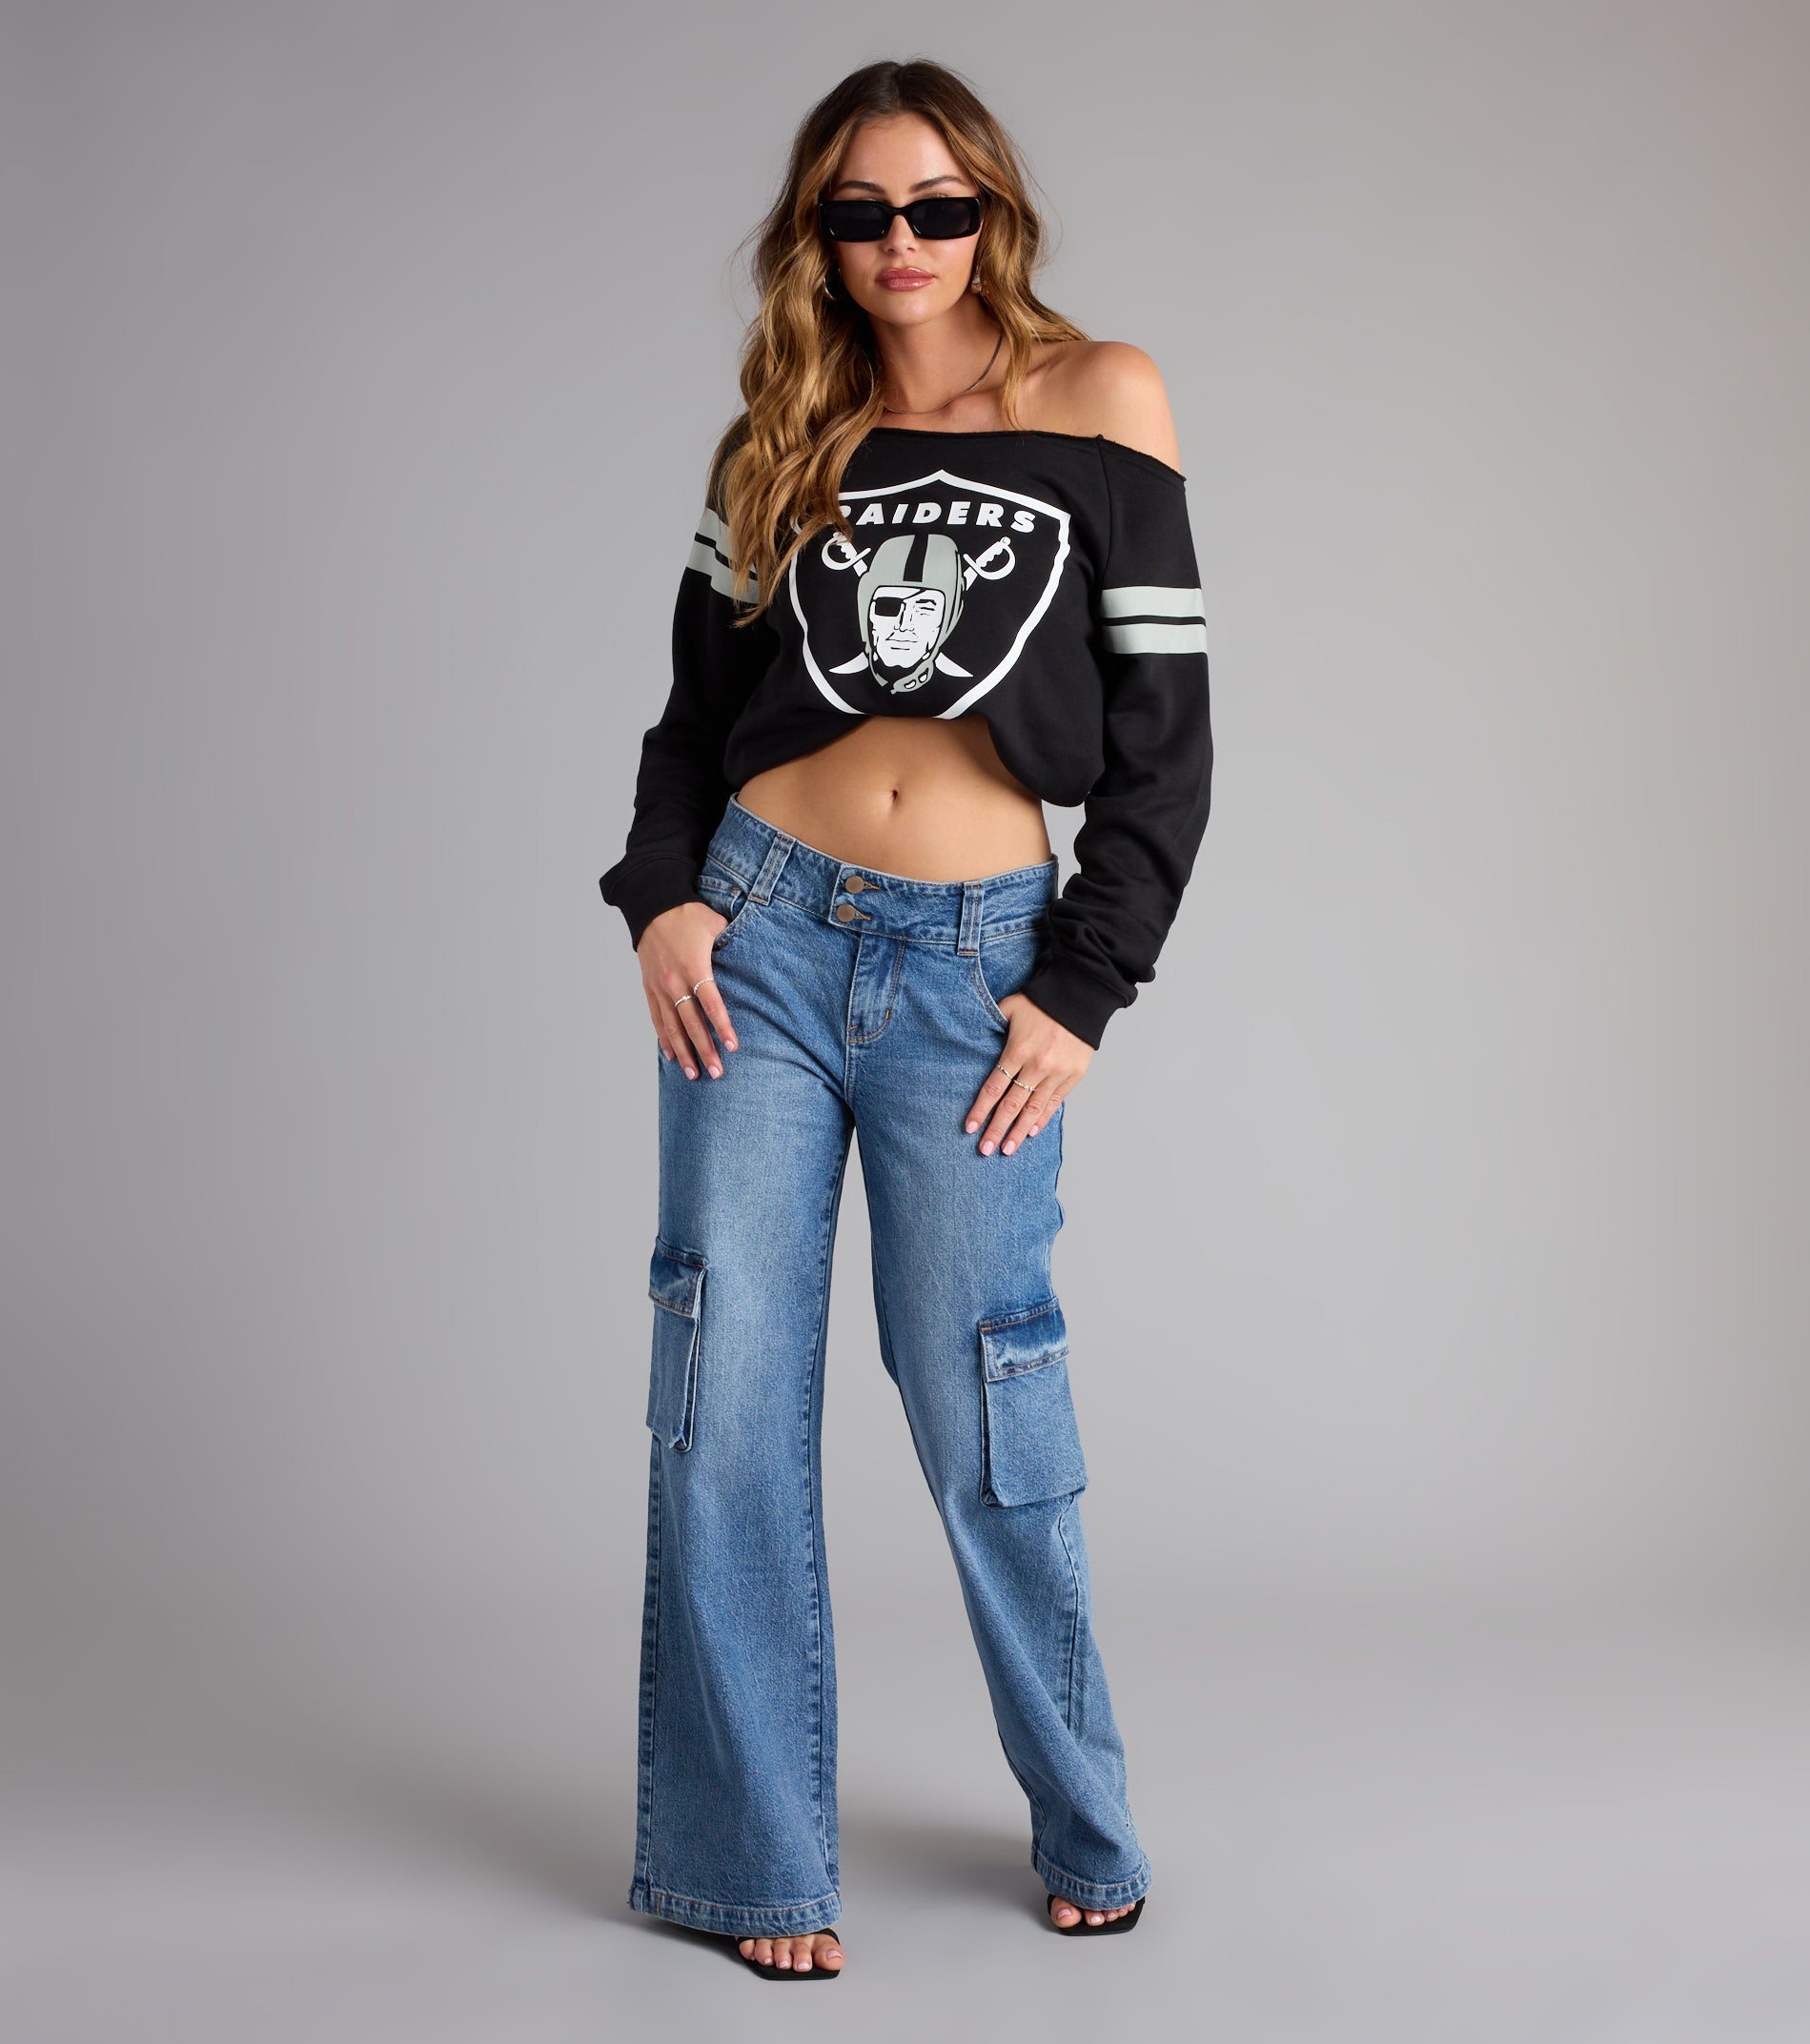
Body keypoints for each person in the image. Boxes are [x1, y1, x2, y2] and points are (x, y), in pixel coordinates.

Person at [598, 57, 1213, 1981]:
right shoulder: (777, 433)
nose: (900, 245)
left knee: (983, 1400)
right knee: (721, 1396)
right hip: (761, 945)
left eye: (936, 207)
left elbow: (1165, 744)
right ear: (818, 233)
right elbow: (692, 721)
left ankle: (1086, 1810)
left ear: (991, 213)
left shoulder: (1100, 398)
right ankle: (751, 1864)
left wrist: (1082, 983)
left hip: (971, 966)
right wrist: (663, 896)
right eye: (859, 213)